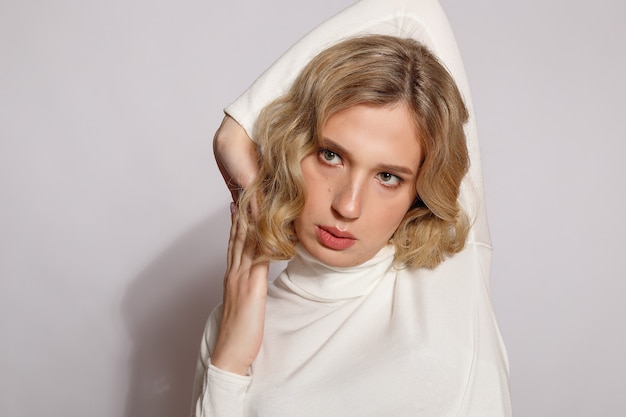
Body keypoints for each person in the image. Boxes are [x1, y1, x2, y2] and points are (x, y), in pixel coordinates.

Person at [192, 1, 511, 416]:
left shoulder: (451, 271)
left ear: (419, 189)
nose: (348, 205)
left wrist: (232, 136)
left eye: (388, 177)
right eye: (331, 155)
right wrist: (230, 364)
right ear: (293, 146)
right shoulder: (232, 325)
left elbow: (413, 8)